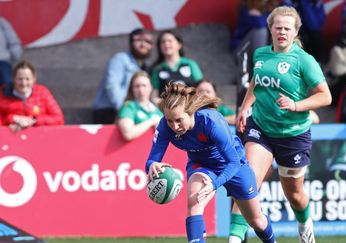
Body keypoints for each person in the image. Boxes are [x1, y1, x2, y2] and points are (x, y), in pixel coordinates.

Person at [233, 6, 332, 243]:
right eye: (278, 27)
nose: (282, 32)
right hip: (261, 128)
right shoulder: (260, 54)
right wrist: (245, 107)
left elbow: (325, 96)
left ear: (295, 31)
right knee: (246, 182)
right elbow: (257, 82)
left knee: (294, 194)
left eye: (287, 28)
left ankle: (304, 226)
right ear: (270, 28)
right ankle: (234, 239)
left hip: (293, 135)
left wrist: (296, 105)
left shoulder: (304, 61)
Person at [146, 83, 276, 243]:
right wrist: (152, 165)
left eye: (179, 120)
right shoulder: (165, 126)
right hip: (201, 165)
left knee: (257, 221)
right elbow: (152, 159)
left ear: (191, 112)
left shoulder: (211, 122)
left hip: (233, 165)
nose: (175, 126)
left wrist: (215, 184)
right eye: (170, 121)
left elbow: (233, 162)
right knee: (194, 200)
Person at [93, 28, 153, 124]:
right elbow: (112, 86)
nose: (143, 45)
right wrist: (123, 110)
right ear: (130, 43)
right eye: (138, 40)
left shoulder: (145, 66)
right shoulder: (120, 59)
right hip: (110, 111)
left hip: (130, 112)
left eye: (148, 41)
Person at [0, 60, 64, 133]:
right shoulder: (3, 93)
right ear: (13, 79)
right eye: (20, 79)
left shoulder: (42, 92)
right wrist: (12, 119)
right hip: (10, 139)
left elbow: (58, 119)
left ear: (33, 79)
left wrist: (33, 120)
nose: (24, 83)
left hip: (39, 138)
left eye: (27, 79)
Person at [151, 30, 203, 102]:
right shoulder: (157, 69)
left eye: (170, 41)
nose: (166, 44)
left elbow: (201, 88)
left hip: (190, 108)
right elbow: (154, 96)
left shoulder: (190, 64)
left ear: (179, 45)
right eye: (163, 42)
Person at [116, 71, 162, 141]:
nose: (141, 90)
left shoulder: (157, 110)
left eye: (144, 85)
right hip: (134, 150)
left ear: (150, 87)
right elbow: (128, 134)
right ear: (132, 89)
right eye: (137, 86)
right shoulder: (129, 107)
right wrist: (151, 121)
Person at [0, 17, 23, 85]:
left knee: (8, 86)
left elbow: (13, 41)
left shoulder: (2, 23)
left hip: (2, 61)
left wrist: (16, 54)